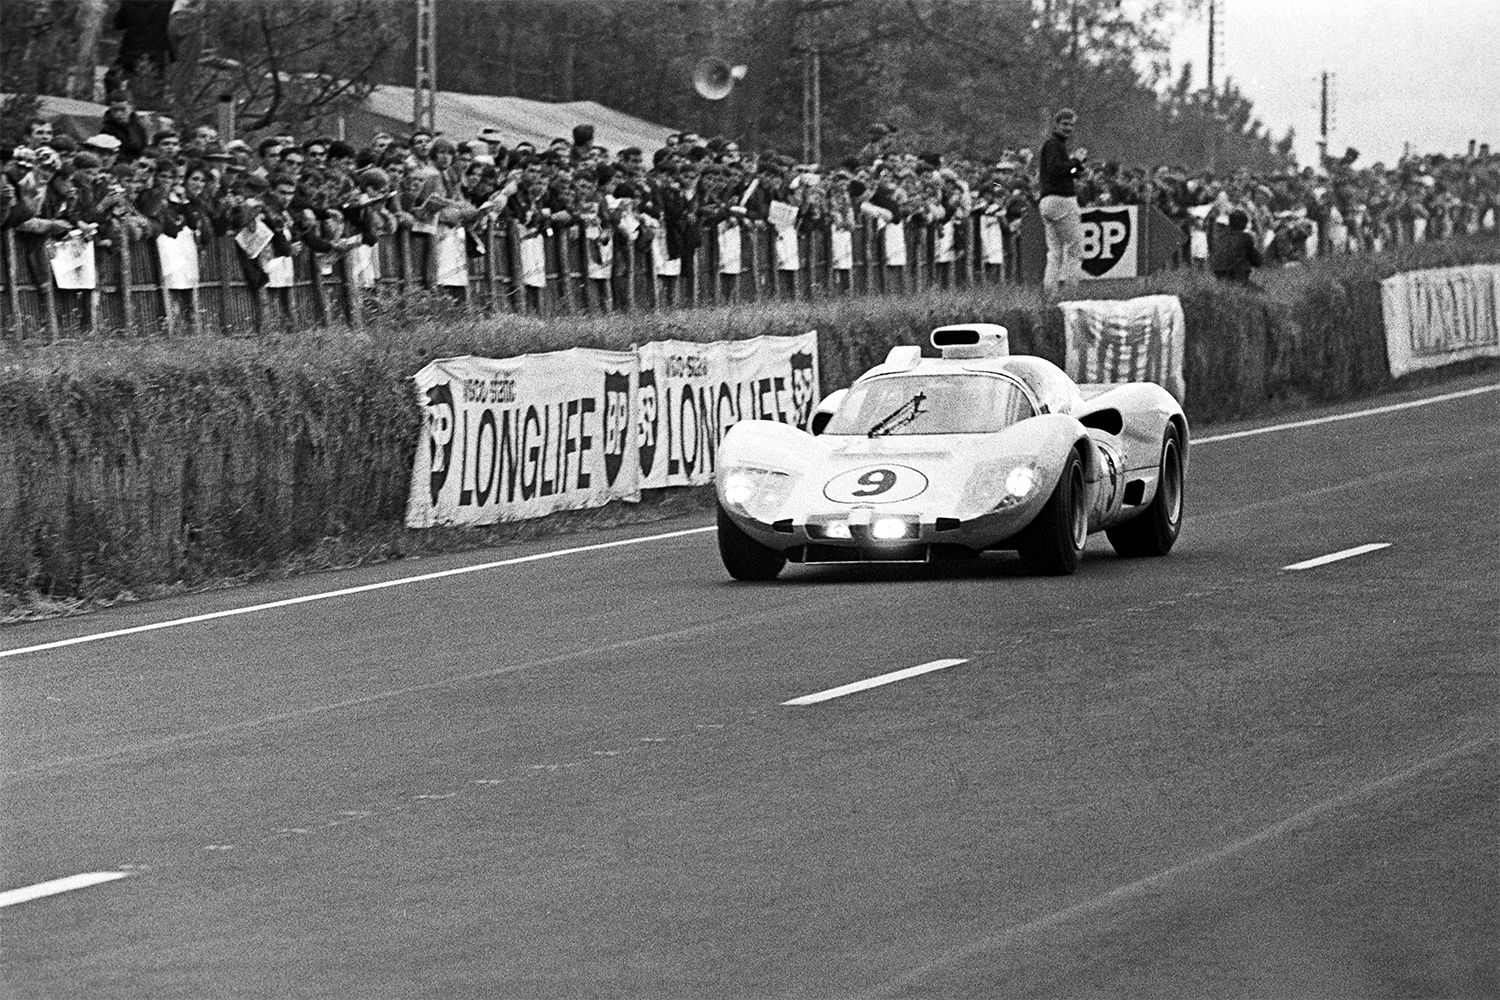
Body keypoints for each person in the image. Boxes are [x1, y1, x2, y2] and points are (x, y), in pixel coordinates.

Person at [1037, 107, 1087, 297]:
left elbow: (1067, 171)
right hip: (1061, 200)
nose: (1068, 128)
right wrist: (1075, 161)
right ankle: (1070, 296)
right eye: (1065, 124)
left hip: (1048, 201)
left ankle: (1050, 294)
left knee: (1055, 251)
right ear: (1056, 124)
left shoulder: (1056, 146)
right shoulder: (1053, 145)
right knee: (1075, 250)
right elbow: (1056, 170)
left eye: (1071, 125)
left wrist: (1077, 167)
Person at [1211, 208, 1264, 285]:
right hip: (1236, 278)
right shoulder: (1245, 237)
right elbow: (1257, 261)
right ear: (1243, 223)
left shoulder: (1220, 236)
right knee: (1261, 291)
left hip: (1219, 277)